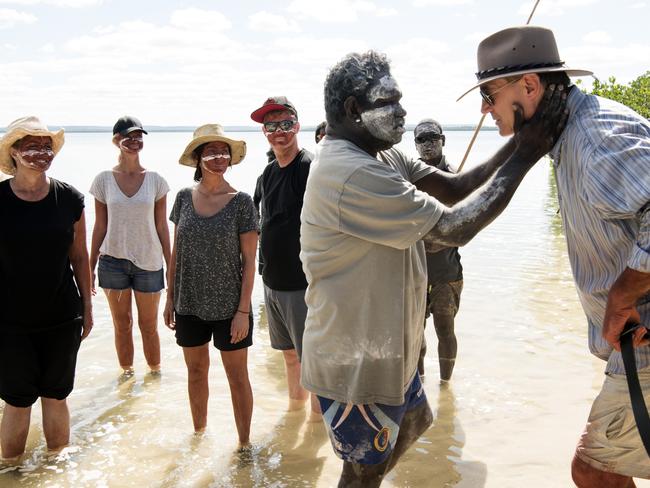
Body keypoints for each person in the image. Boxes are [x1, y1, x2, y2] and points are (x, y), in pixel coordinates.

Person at [300, 50, 567, 487]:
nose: (403, 111)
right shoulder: (348, 172)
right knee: (362, 472)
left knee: (417, 421)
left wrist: (520, 139)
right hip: (356, 364)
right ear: (352, 110)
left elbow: (454, 186)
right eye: (389, 102)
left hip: (389, 353)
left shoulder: (380, 155)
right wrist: (528, 154)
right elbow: (453, 228)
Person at [459, 25, 650, 487]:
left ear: (529, 85)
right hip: (634, 345)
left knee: (594, 469)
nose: (485, 108)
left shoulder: (597, 138)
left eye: (489, 93)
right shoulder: (563, 134)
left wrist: (622, 297)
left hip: (642, 345)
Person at [0, 116, 92, 461]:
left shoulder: (69, 198)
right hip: (8, 321)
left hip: (61, 315)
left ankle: (57, 471)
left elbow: (80, 258)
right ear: (14, 152)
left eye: (46, 146)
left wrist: (87, 307)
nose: (41, 152)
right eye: (31, 145)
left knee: (57, 394)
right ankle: (10, 472)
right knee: (17, 399)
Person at [163, 124, 257, 445]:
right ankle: (198, 439)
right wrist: (169, 298)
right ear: (198, 158)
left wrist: (243, 311)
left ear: (230, 159)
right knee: (195, 373)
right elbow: (177, 252)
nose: (219, 157)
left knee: (236, 378)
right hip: (188, 303)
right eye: (211, 151)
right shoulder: (183, 198)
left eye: (223, 152)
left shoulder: (242, 201)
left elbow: (249, 262)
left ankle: (244, 445)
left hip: (231, 308)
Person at [250, 96, 320, 420]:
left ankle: (319, 426)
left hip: (303, 284)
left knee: (313, 361)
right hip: (273, 283)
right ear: (264, 131)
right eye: (271, 125)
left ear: (297, 126)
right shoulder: (266, 174)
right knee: (289, 357)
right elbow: (257, 219)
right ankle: (294, 416)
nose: (279, 131)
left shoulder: (309, 167)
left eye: (285, 123)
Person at [89, 115, 170, 379]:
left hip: (149, 261)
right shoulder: (103, 180)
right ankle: (126, 378)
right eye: (128, 137)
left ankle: (155, 378)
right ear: (116, 141)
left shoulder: (156, 180)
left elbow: (161, 226)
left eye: (138, 137)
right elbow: (99, 227)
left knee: (149, 325)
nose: (134, 141)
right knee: (122, 325)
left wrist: (171, 265)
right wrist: (89, 267)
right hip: (112, 261)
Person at [413, 119, 463, 381]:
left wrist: (442, 238)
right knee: (414, 333)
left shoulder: (456, 177)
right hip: (415, 272)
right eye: (421, 140)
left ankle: (446, 388)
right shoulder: (408, 179)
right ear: (415, 145)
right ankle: (419, 386)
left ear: (443, 140)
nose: (428, 144)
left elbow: (467, 227)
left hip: (447, 271)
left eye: (433, 137)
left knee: (445, 329)